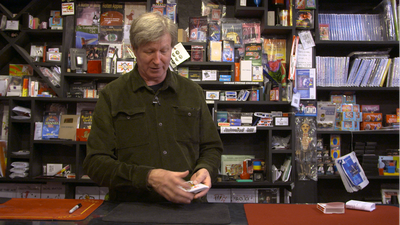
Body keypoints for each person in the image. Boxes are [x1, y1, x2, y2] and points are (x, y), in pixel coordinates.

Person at [83, 12, 223, 204]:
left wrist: (206, 168)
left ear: (172, 48)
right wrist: (148, 177)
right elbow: (95, 163)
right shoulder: (112, 96)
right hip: (132, 208)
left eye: (164, 51)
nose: (158, 61)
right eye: (149, 52)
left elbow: (212, 147)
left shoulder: (193, 92)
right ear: (134, 49)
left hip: (188, 209)